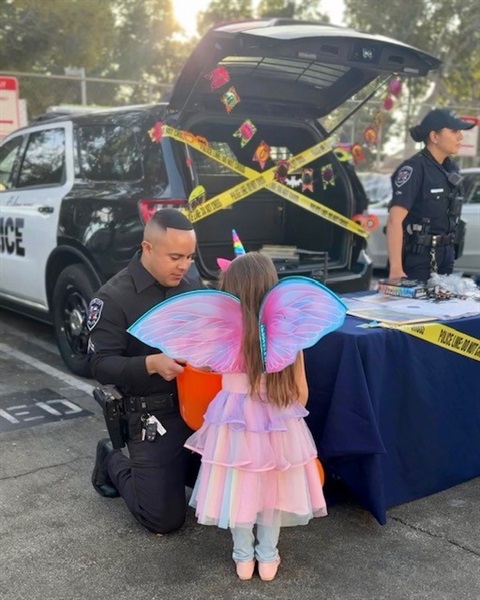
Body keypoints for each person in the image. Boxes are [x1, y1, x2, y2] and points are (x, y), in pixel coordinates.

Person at [128, 252, 346, 581]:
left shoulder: (220, 339)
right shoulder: (288, 338)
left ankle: (243, 557)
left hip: (233, 425)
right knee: (273, 489)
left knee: (237, 486)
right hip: (279, 425)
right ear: (273, 289)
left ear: (229, 289)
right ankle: (268, 555)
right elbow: (302, 395)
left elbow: (196, 364)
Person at [89, 208, 202, 534]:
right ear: (147, 248)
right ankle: (111, 459)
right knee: (164, 519)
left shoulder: (190, 284)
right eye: (176, 256)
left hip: (195, 407)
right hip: (151, 416)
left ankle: (174, 469)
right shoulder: (113, 297)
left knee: (225, 492)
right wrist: (150, 364)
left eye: (190, 257)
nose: (184, 266)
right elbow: (99, 365)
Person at [387, 108, 476, 282]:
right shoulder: (414, 169)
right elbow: (394, 220)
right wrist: (396, 269)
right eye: (454, 131)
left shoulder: (451, 169)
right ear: (434, 137)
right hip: (420, 257)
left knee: (444, 307)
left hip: (447, 255)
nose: (460, 137)